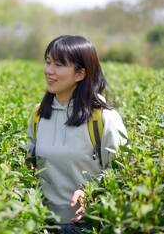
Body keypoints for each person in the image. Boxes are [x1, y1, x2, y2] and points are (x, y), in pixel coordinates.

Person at [26, 35, 128, 234]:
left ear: (80, 74)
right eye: (48, 62)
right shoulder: (39, 114)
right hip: (40, 223)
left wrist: (91, 192)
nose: (49, 71)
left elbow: (122, 172)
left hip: (86, 226)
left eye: (58, 64)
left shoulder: (104, 119)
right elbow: (30, 164)